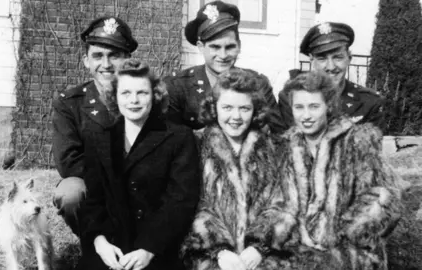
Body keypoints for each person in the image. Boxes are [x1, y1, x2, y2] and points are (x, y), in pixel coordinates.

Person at [76, 59, 200, 270]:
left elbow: (180, 202)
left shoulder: (179, 137)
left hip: (157, 249)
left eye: (142, 93)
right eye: (125, 93)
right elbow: (93, 200)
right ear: (115, 96)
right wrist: (99, 242)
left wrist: (148, 249)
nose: (133, 100)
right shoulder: (99, 138)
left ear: (155, 96)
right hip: (111, 249)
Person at [279, 71, 402, 269]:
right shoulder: (288, 146)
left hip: (349, 250)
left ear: (328, 107)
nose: (306, 116)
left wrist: (341, 235)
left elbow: (382, 198)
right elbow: (281, 203)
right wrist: (297, 231)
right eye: (299, 107)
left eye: (314, 107)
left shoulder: (356, 141)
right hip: (298, 247)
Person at [181, 69, 297, 270]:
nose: (235, 116)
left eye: (244, 108)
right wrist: (219, 250)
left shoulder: (274, 148)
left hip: (263, 258)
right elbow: (190, 202)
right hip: (208, 256)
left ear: (255, 110)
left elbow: (284, 202)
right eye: (227, 107)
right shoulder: (194, 145)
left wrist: (259, 247)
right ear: (214, 108)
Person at [52, 16, 137, 236]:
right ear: (86, 61)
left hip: (139, 187)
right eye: (98, 56)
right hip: (94, 187)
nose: (106, 65)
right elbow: (69, 161)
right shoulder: (70, 102)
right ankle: (94, 241)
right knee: (70, 192)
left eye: (114, 56)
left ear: (127, 59)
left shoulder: (143, 98)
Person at [165, 0, 287, 133]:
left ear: (239, 46)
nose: (223, 55)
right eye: (215, 47)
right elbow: (170, 141)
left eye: (230, 47)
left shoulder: (258, 84)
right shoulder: (178, 86)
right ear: (201, 47)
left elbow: (278, 135)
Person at [278, 22, 384, 131]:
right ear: (311, 60)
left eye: (338, 57)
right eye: (322, 59)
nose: (331, 67)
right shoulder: (291, 98)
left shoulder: (369, 102)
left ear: (349, 58)